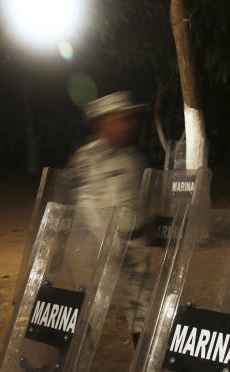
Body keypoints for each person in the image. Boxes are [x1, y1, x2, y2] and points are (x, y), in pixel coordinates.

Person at [67, 91, 148, 346]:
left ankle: (143, 371)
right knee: (92, 314)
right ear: (103, 123)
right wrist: (110, 242)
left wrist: (146, 228)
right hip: (105, 251)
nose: (128, 125)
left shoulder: (132, 157)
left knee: (142, 314)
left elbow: (137, 199)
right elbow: (87, 203)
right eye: (121, 119)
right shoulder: (88, 158)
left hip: (134, 248)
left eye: (130, 119)